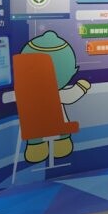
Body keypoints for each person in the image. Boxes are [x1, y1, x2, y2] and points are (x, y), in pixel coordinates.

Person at [21, 31, 90, 163]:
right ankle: (59, 143)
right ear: (73, 71)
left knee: (35, 135)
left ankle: (36, 146)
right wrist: (81, 87)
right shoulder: (56, 94)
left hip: (34, 127)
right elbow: (70, 97)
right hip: (58, 126)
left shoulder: (28, 94)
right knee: (61, 135)